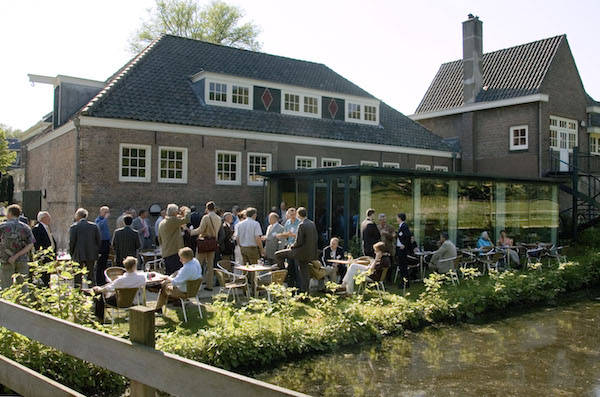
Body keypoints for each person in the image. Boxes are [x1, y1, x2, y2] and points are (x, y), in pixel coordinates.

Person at [91, 256, 146, 322]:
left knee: (100, 295)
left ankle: (99, 317)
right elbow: (143, 283)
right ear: (134, 266)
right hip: (133, 301)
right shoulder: (141, 278)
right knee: (104, 293)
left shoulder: (121, 280)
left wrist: (99, 289)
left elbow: (109, 288)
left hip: (119, 302)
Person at [155, 247, 202, 312]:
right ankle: (174, 301)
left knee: (163, 286)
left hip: (185, 292)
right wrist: (173, 275)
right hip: (196, 289)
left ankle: (158, 309)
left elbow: (175, 282)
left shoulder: (186, 268)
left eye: (181, 258)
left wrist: (167, 278)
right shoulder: (195, 261)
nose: (180, 260)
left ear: (186, 258)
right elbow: (180, 272)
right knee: (171, 278)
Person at [0, 204, 34, 289]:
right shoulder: (26, 227)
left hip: (6, 259)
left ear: (10, 213)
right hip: (22, 260)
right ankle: (23, 302)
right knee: (23, 288)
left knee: (6, 288)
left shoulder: (3, 226)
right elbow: (31, 244)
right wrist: (17, 255)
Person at [190, 201, 221, 291]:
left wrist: (191, 232)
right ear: (214, 208)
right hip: (213, 242)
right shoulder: (218, 218)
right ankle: (209, 285)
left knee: (198, 264)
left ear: (207, 208)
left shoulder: (206, 217)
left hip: (204, 242)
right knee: (210, 265)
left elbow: (201, 229)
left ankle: (196, 286)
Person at [69, 208, 101, 286]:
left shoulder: (74, 227)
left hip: (78, 253)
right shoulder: (94, 226)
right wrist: (96, 251)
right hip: (91, 253)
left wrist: (71, 253)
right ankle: (93, 293)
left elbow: (72, 242)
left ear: (77, 216)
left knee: (77, 275)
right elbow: (98, 240)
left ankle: (78, 293)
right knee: (91, 275)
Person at [290, 207, 318, 293]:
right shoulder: (312, 223)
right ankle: (306, 291)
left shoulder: (301, 225)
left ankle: (302, 290)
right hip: (311, 251)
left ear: (298, 215)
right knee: (305, 271)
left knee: (302, 272)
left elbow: (299, 241)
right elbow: (316, 237)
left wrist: (292, 246)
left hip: (302, 252)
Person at [158, 204, 191, 275]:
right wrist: (186, 210)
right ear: (174, 212)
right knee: (177, 274)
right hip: (174, 252)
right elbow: (187, 219)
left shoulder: (162, 222)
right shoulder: (172, 220)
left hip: (166, 252)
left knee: (169, 274)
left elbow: (159, 239)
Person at [32, 211, 57, 286]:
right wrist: (40, 254)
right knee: (43, 274)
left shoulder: (47, 228)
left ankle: (47, 287)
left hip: (49, 255)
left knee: (48, 274)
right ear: (43, 218)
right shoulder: (37, 228)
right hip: (43, 256)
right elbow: (36, 243)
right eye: (48, 217)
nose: (50, 219)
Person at [276, 208, 300, 286]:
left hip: (297, 247)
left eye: (294, 214)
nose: (292, 216)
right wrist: (281, 235)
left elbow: (301, 236)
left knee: (296, 268)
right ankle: (290, 284)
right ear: (288, 215)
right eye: (291, 214)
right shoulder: (287, 222)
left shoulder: (299, 223)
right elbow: (286, 233)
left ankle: (298, 286)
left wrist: (292, 235)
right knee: (290, 266)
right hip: (289, 246)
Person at [95, 206, 111, 286]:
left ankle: (103, 279)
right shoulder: (98, 220)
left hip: (106, 242)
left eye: (107, 212)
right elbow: (98, 227)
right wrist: (105, 219)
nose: (107, 214)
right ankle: (99, 280)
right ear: (101, 212)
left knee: (105, 262)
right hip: (101, 243)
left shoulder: (105, 221)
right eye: (105, 212)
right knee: (100, 263)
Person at [395, 213, 412, 286]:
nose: (396, 219)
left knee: (403, 266)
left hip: (402, 248)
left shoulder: (404, 226)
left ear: (400, 218)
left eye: (397, 218)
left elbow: (408, 236)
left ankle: (405, 282)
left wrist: (404, 244)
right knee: (401, 265)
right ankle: (403, 281)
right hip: (399, 247)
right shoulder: (401, 226)